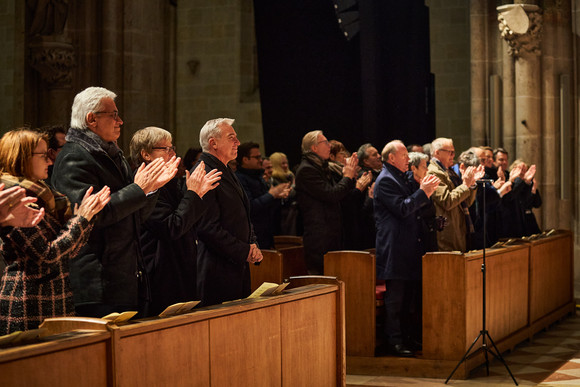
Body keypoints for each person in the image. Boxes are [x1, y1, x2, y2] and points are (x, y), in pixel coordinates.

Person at [52, 86, 179, 318]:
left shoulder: (112, 154)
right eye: (113, 115)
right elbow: (91, 216)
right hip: (97, 283)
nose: (120, 121)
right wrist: (139, 189)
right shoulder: (74, 157)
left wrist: (151, 190)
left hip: (123, 278)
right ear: (91, 119)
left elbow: (134, 216)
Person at [0, 129, 110, 334]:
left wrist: (85, 218)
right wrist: (81, 220)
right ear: (21, 157)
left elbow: (71, 251)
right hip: (28, 302)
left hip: (55, 297)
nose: (50, 162)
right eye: (43, 156)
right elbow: (47, 256)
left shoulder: (47, 196)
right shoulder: (14, 199)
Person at [129, 127, 221, 316]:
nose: (173, 153)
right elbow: (172, 227)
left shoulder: (170, 182)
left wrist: (199, 194)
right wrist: (193, 194)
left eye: (172, 148)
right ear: (145, 154)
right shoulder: (144, 186)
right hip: (161, 274)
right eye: (166, 149)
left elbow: (190, 223)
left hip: (180, 266)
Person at [374, 140, 440, 356]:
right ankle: (394, 341)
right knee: (396, 300)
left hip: (409, 247)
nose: (408, 159)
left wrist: (424, 192)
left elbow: (416, 209)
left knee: (409, 299)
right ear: (391, 157)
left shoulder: (401, 177)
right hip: (395, 249)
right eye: (404, 156)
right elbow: (403, 209)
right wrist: (424, 192)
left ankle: (409, 338)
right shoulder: (385, 181)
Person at [194, 118, 263, 307]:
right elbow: (207, 227)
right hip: (216, 270)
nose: (238, 143)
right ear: (213, 143)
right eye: (231, 137)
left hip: (235, 264)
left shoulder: (225, 169)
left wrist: (252, 243)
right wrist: (244, 251)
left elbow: (241, 215)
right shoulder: (204, 173)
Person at [295, 130, 357, 274]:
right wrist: (347, 177)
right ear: (314, 148)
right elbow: (331, 194)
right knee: (324, 281)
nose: (329, 146)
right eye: (325, 143)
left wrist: (350, 177)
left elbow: (339, 195)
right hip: (320, 238)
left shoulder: (321, 167)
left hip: (331, 233)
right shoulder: (307, 170)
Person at [427, 138, 482, 252]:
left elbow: (466, 203)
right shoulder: (434, 172)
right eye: (449, 152)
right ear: (437, 152)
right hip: (447, 232)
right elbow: (447, 201)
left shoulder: (450, 172)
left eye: (453, 152)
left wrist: (471, 184)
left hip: (458, 228)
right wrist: (466, 185)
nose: (453, 155)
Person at [235, 142, 290, 249]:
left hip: (267, 233)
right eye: (257, 157)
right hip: (253, 236)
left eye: (260, 156)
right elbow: (250, 207)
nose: (261, 160)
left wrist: (278, 197)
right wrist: (272, 194)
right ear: (245, 160)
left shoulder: (258, 176)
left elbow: (267, 205)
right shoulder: (239, 179)